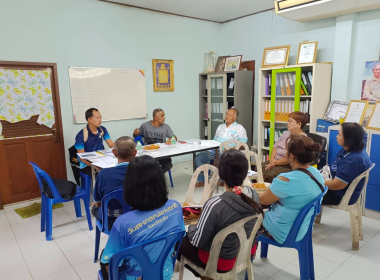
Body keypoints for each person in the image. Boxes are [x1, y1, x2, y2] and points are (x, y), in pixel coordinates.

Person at [177, 149, 263, 277]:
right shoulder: (253, 194)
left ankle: (206, 276)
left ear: (221, 175)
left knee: (180, 241)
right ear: (245, 173)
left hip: (221, 261)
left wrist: (192, 227)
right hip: (244, 252)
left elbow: (197, 241)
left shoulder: (215, 205)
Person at [100, 155, 184, 280]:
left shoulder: (123, 223)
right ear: (161, 181)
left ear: (129, 185)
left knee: (103, 259)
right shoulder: (175, 207)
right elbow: (178, 241)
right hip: (164, 273)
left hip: (135, 277)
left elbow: (110, 261)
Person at [259, 135, 324, 244]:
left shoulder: (286, 180)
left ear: (291, 156)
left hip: (282, 232)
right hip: (303, 228)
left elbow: (263, 200)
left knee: (246, 220)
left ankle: (247, 257)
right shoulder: (316, 173)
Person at [91, 136, 136, 230]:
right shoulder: (143, 171)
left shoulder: (103, 174)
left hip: (112, 222)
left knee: (94, 206)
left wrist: (102, 173)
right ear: (135, 153)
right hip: (137, 218)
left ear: (114, 153)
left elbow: (98, 203)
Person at [194, 108, 247, 187]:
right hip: (214, 149)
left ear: (235, 118)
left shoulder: (239, 128)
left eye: (229, 115)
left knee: (224, 158)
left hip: (228, 151)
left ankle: (223, 180)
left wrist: (231, 149)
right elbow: (215, 140)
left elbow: (243, 143)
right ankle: (203, 181)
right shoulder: (220, 127)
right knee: (198, 157)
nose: (227, 116)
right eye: (226, 114)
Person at [323, 123, 372, 205]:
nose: (336, 136)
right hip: (335, 186)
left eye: (339, 135)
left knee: (306, 194)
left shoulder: (353, 160)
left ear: (349, 139)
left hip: (339, 195)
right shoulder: (350, 150)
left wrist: (316, 182)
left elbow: (336, 185)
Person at [261, 111, 308, 182]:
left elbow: (291, 158)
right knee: (259, 167)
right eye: (288, 121)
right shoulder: (286, 133)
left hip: (288, 165)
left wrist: (275, 163)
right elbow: (275, 147)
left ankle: (269, 191)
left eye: (290, 121)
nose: (288, 123)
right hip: (274, 161)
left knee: (269, 175)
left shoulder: (302, 139)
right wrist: (272, 159)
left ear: (299, 124)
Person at [133, 108, 176, 174]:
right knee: (145, 167)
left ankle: (156, 177)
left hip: (162, 152)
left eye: (164, 115)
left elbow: (174, 137)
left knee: (168, 165)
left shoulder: (166, 127)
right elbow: (135, 136)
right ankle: (156, 177)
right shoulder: (145, 125)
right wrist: (135, 133)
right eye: (162, 116)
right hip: (148, 154)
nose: (164, 118)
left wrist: (171, 138)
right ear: (155, 118)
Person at [75, 108, 114, 176]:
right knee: (102, 174)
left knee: (114, 169)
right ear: (89, 119)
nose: (100, 120)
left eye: (100, 117)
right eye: (97, 118)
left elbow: (111, 144)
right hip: (87, 164)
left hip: (101, 160)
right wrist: (95, 166)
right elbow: (81, 158)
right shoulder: (81, 135)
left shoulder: (102, 130)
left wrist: (120, 153)